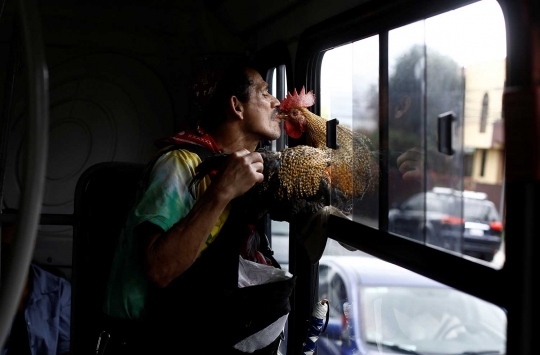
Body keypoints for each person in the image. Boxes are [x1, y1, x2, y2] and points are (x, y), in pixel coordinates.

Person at [103, 63, 293, 354]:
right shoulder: (180, 164)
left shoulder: (248, 171)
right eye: (265, 92)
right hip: (151, 339)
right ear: (237, 107)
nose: (276, 102)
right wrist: (221, 193)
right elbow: (159, 268)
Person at [1, 209, 71, 355]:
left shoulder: (59, 289)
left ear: (31, 245)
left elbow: (65, 344)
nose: (14, 256)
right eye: (7, 248)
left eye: (19, 246)